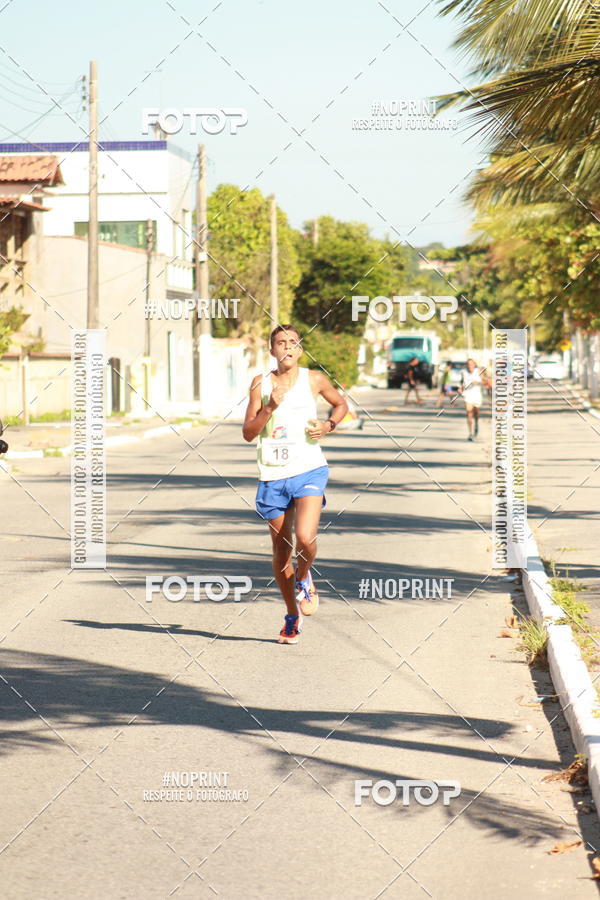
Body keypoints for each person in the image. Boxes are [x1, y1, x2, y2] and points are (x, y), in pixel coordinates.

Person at [242, 324, 348, 644]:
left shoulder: (314, 379)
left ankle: (304, 576)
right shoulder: (260, 384)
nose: (286, 347)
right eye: (280, 342)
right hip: (272, 475)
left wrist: (329, 425)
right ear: (271, 350)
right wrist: (270, 407)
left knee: (305, 537)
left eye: (292, 342)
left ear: (300, 349)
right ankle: (291, 615)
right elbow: (248, 432)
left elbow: (341, 405)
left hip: (309, 469)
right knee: (281, 551)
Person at [458, 358, 483, 440]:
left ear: (474, 364)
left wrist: (477, 382)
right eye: (468, 364)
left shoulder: (478, 371)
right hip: (467, 395)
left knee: (476, 413)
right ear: (466, 365)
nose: (470, 366)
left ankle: (476, 423)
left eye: (471, 364)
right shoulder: (463, 372)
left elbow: (484, 381)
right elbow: (461, 382)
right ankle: (470, 433)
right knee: (469, 413)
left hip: (477, 395)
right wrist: (460, 388)